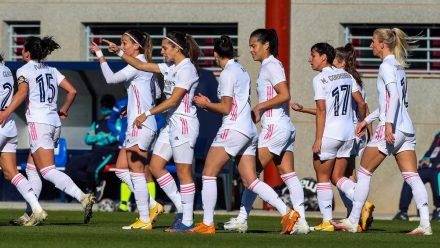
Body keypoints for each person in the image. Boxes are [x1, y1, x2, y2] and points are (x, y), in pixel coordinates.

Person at [192, 35, 300, 235]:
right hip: (249, 130)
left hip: (234, 128)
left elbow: (226, 107)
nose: (252, 49)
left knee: (208, 173)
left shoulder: (227, 73)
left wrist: (206, 104)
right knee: (251, 180)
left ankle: (207, 224)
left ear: (216, 55)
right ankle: (287, 212)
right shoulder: (242, 70)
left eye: (254, 45)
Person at [335, 28, 433, 235]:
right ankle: (425, 224)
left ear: (382, 44)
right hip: (407, 129)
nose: (370, 45)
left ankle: (353, 220)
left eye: (372, 41)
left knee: (363, 171)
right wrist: (366, 120)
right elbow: (389, 102)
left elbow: (395, 97)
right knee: (412, 176)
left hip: (394, 127)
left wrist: (387, 126)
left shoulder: (386, 66)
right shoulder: (398, 67)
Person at [106, 31, 200, 232]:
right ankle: (180, 209)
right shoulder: (169, 67)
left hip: (184, 124)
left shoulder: (187, 69)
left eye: (165, 47)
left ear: (177, 49)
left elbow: (174, 100)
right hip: (170, 124)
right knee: (156, 166)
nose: (162, 51)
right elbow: (140, 65)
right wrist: (118, 52)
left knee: (184, 173)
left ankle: (187, 219)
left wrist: (146, 113)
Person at [0, 36, 95, 224]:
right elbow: (73, 91)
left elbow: (22, 93)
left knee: (47, 170)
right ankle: (31, 213)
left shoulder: (24, 70)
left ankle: (82, 197)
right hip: (54, 123)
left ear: (27, 52)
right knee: (31, 169)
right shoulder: (52, 70)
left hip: (39, 123)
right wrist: (64, 110)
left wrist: (6, 112)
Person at [221, 29, 305, 234]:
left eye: (254, 45)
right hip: (283, 126)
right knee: (289, 174)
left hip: (275, 128)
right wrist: (261, 112)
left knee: (250, 175)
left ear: (266, 45)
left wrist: (259, 107)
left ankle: (244, 218)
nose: (251, 50)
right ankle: (301, 223)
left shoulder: (271, 65)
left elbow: (285, 94)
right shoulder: (271, 65)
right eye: (250, 46)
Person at [291, 43, 374, 231]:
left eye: (313, 55)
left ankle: (328, 221)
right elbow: (361, 103)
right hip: (348, 135)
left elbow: (322, 110)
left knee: (322, 177)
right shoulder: (347, 76)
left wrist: (318, 138)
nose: (310, 59)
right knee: (339, 176)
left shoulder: (320, 79)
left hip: (330, 133)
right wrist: (361, 123)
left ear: (323, 57)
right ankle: (360, 203)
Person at [91, 30, 164, 230]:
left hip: (141, 125)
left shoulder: (138, 64)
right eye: (121, 44)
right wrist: (129, 106)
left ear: (136, 46)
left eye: (124, 43)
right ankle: (152, 205)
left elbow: (110, 79)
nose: (122, 47)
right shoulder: (146, 65)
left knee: (137, 173)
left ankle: (144, 218)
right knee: (121, 169)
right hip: (140, 123)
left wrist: (101, 55)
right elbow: (155, 93)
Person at [0, 54, 47, 226]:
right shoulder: (5, 70)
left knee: (12, 172)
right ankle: (37, 209)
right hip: (9, 125)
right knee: (10, 172)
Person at [65, 94, 119, 198]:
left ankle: (93, 187)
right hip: (94, 152)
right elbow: (87, 139)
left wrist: (97, 138)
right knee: (70, 168)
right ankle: (96, 183)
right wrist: (101, 136)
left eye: (107, 106)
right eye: (103, 105)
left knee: (93, 169)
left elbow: (113, 138)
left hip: (109, 152)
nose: (104, 108)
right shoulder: (97, 123)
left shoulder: (117, 121)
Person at [393, 130, 440, 221]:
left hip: (437, 168)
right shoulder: (438, 135)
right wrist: (425, 159)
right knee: (412, 177)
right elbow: (430, 151)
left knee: (437, 176)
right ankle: (402, 211)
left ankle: (439, 209)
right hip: (429, 166)